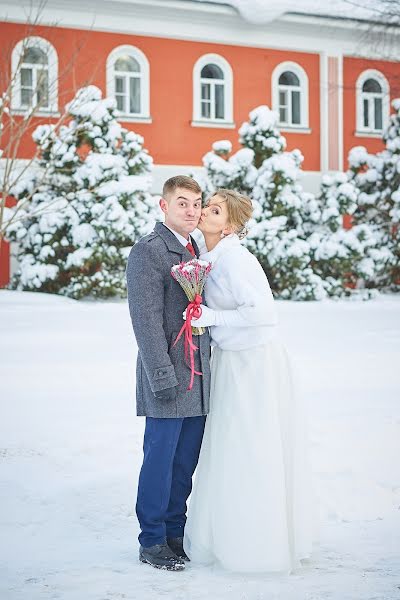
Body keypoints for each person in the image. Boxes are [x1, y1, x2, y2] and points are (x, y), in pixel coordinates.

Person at [183, 188, 318, 574]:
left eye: (212, 209)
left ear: (230, 225)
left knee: (250, 447)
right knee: (227, 447)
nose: (203, 212)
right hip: (229, 361)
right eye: (204, 206)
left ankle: (258, 543)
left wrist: (211, 318)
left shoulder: (236, 261)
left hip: (254, 364)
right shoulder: (207, 257)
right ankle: (224, 533)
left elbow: (264, 314)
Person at [126, 175, 211, 571]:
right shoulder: (149, 251)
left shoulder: (196, 247)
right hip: (167, 376)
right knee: (160, 460)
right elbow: (145, 321)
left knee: (185, 462)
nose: (192, 211)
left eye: (196, 203)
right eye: (182, 203)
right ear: (164, 206)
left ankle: (175, 533)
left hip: (197, 379)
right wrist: (160, 374)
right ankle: (153, 539)